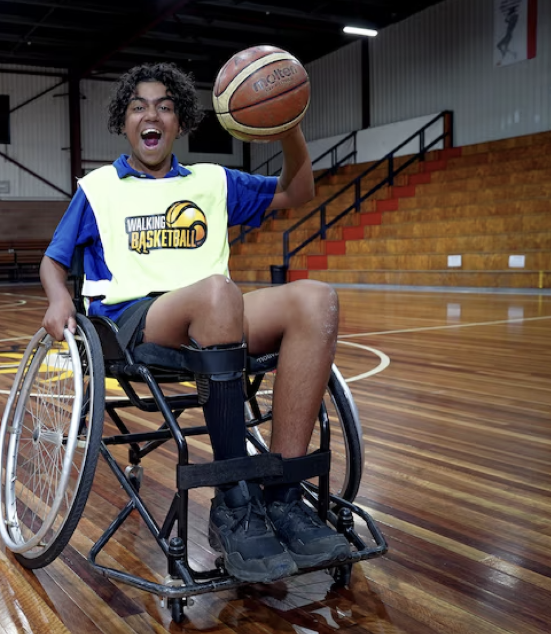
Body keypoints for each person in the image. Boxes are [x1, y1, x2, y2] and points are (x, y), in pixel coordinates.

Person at [40, 62, 350, 583]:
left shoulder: (211, 181)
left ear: (179, 121)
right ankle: (233, 501)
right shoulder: (98, 188)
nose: (151, 114)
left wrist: (289, 125)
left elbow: (297, 192)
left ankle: (282, 496)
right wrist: (56, 300)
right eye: (139, 106)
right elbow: (54, 259)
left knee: (317, 299)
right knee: (217, 292)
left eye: (164, 105)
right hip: (137, 318)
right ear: (125, 122)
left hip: (219, 313)